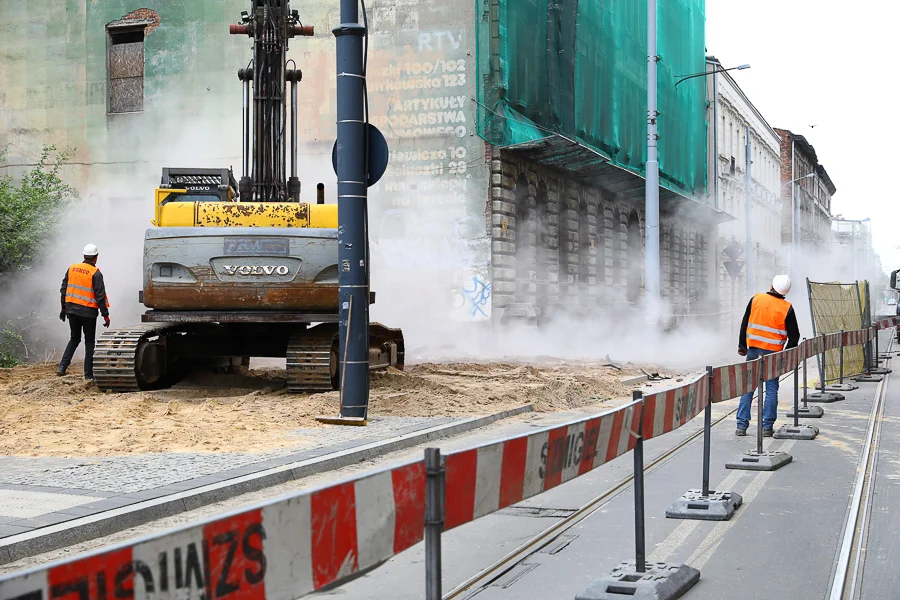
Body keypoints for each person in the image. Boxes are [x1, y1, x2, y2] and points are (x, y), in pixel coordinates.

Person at [736, 274, 800, 436]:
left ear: (771, 285)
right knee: (771, 390)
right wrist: (785, 355)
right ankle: (766, 427)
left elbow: (745, 323)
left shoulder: (756, 299)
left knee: (748, 388)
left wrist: (742, 345)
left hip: (753, 351)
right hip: (773, 355)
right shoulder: (787, 308)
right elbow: (794, 337)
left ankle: (741, 426)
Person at [57, 244, 110, 380]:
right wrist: (105, 315)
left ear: (84, 256)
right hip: (88, 313)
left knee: (74, 339)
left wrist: (63, 308)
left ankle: (62, 367)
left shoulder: (72, 268)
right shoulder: (95, 273)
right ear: (95, 257)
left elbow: (64, 289)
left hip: (72, 310)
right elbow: (100, 296)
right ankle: (88, 375)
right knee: (89, 342)